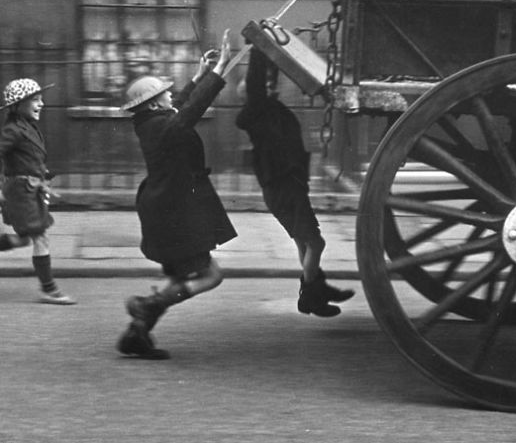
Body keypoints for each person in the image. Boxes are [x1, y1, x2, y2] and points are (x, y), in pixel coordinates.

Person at [116, 30, 236, 360]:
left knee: (180, 278)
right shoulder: (161, 127)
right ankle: (146, 305)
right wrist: (219, 70)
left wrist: (198, 76)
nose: (171, 96)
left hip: (166, 211)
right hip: (174, 214)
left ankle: (137, 334)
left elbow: (180, 107)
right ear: (155, 103)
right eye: (165, 93)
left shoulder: (151, 121)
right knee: (212, 276)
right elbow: (189, 112)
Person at [236, 48, 354, 317]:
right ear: (254, 96)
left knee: (304, 242)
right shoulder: (259, 111)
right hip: (284, 189)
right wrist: (257, 48)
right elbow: (256, 83)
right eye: (264, 86)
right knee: (316, 244)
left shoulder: (268, 109)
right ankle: (311, 294)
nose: (269, 86)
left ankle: (317, 289)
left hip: (284, 189)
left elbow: (266, 81)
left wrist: (269, 60)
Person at [0, 78, 75, 306]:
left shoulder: (27, 126)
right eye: (35, 100)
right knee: (40, 236)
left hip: (29, 190)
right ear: (18, 105)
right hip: (21, 193)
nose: (41, 104)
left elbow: (25, 157)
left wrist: (42, 172)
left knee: (23, 240)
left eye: (41, 99)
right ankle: (49, 289)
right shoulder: (14, 130)